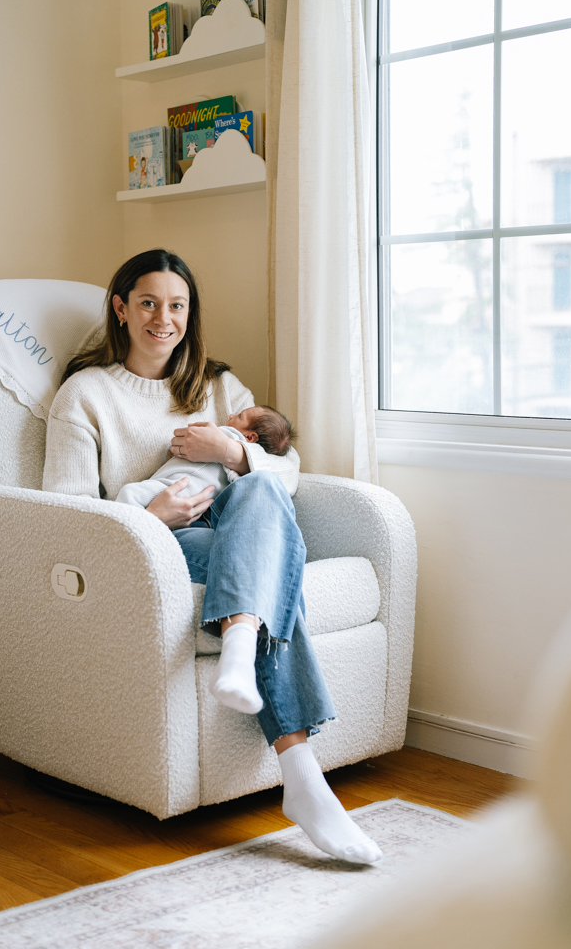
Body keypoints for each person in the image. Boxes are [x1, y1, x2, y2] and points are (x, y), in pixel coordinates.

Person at [42, 249, 382, 865]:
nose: (163, 319)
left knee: (258, 488)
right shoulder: (84, 395)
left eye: (177, 305)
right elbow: (63, 517)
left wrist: (230, 452)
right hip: (159, 542)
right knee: (271, 570)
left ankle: (238, 644)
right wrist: (153, 515)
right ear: (121, 309)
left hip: (239, 526)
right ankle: (304, 780)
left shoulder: (221, 387)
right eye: (148, 302)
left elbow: (287, 474)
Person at [115, 405, 296, 509]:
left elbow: (289, 461)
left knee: (129, 494)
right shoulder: (248, 465)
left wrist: (227, 450)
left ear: (250, 438)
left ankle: (120, 535)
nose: (232, 414)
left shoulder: (228, 434)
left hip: (175, 487)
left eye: (240, 416)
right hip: (195, 509)